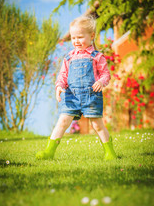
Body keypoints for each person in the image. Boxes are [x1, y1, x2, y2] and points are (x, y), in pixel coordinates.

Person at [36, 15, 117, 161]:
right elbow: (63, 75)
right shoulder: (68, 57)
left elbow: (106, 74)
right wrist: (59, 86)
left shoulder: (97, 56)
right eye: (73, 38)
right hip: (71, 96)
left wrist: (101, 82)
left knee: (97, 125)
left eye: (80, 37)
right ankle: (49, 151)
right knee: (62, 121)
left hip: (91, 95)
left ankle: (109, 152)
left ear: (91, 36)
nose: (76, 41)